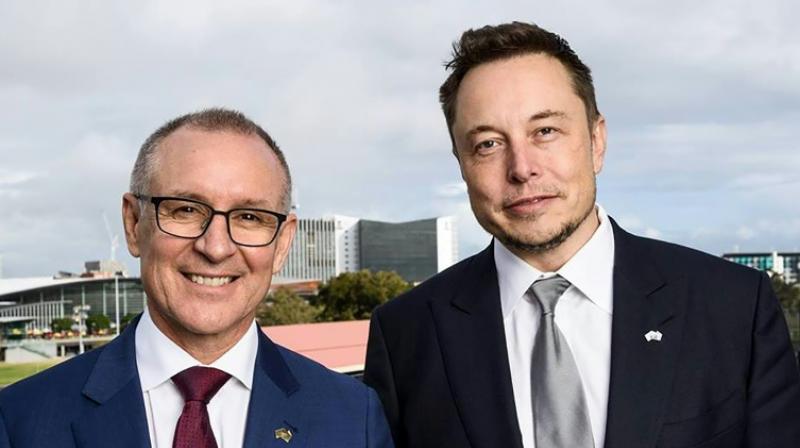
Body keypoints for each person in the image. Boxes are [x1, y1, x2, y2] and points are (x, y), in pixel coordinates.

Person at [363, 22, 800, 448]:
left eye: (545, 131)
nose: (521, 168)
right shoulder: (406, 333)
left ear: (597, 140)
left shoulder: (734, 307)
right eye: (488, 144)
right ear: (461, 163)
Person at [0, 108, 393, 448]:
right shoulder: (20, 421)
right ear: (134, 224)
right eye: (186, 210)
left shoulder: (353, 419)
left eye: (250, 217)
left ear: (283, 243)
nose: (216, 247)